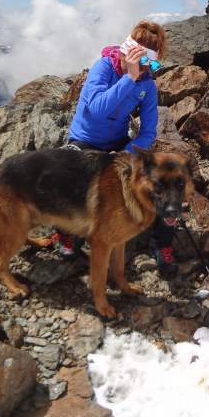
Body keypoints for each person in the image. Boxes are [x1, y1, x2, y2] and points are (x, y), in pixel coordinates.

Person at [51, 20, 178, 278]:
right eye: (144, 63)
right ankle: (66, 233)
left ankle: (162, 243)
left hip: (119, 145)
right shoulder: (103, 69)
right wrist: (129, 79)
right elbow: (97, 109)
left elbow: (148, 131)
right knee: (69, 174)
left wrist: (126, 154)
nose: (147, 70)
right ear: (127, 53)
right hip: (85, 140)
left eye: (152, 65)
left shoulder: (147, 85)